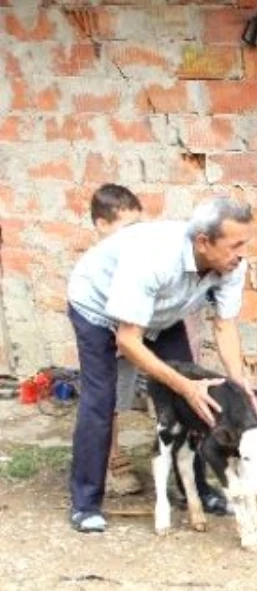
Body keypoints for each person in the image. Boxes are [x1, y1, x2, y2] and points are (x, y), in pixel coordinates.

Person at [65, 196, 257, 533]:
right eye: (235, 244)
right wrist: (183, 385)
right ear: (203, 242)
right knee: (102, 399)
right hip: (96, 308)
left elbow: (225, 325)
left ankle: (196, 491)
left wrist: (238, 382)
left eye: (246, 242)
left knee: (196, 398)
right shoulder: (155, 259)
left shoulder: (231, 264)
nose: (242, 253)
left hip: (162, 314)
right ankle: (86, 503)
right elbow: (127, 340)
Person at [88, 184, 146, 497]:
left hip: (135, 333)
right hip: (105, 336)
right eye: (128, 228)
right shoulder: (97, 262)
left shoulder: (135, 256)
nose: (134, 235)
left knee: (122, 398)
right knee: (106, 400)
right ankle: (110, 460)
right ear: (102, 225)